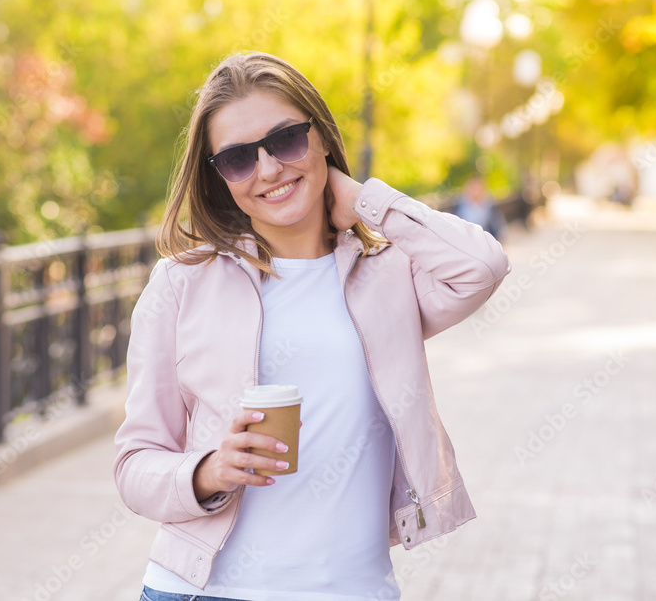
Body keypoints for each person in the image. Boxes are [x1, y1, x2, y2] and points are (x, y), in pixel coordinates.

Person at [112, 52, 512, 601]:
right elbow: (135, 464)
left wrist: (366, 200)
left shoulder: (389, 275)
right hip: (203, 591)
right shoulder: (182, 284)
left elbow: (482, 267)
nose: (269, 169)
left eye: (285, 141)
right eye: (237, 159)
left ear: (321, 137)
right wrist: (208, 471)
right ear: (220, 178)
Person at [450, 175, 506, 242]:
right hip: (465, 239)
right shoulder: (459, 205)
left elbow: (498, 226)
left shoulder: (489, 205)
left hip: (485, 239)